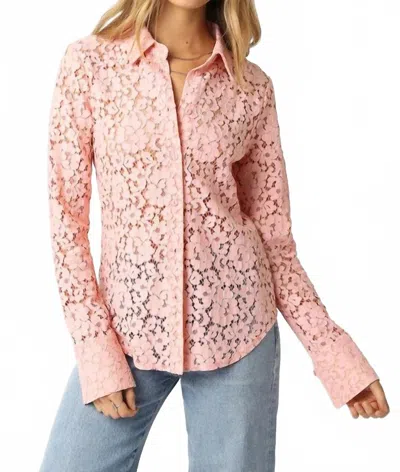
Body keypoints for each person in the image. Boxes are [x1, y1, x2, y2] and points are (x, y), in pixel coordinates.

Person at [40, 0, 390, 471]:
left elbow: (275, 242)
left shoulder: (251, 87)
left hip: (239, 329)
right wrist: (94, 346)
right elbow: (66, 218)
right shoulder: (89, 65)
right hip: (127, 331)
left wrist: (336, 355)